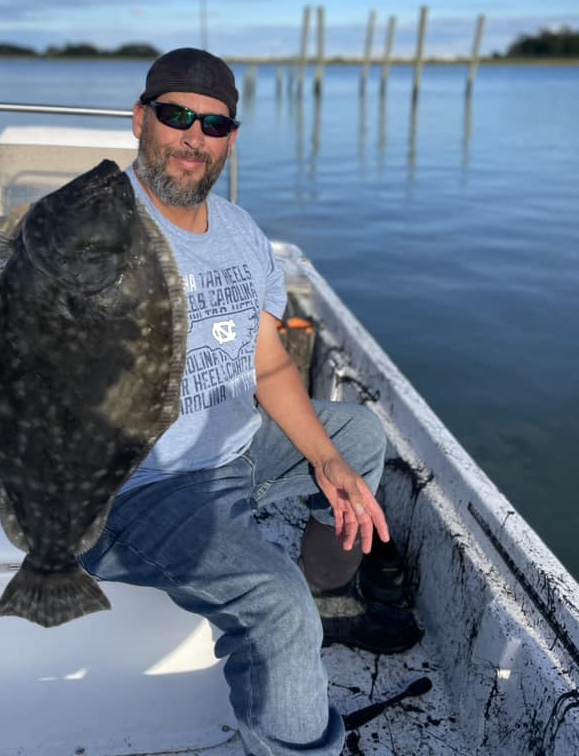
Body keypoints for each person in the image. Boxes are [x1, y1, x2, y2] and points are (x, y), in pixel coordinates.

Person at [81, 48, 421, 756]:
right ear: (140, 120)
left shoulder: (240, 232)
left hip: (232, 452)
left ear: (231, 138)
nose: (192, 137)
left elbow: (269, 366)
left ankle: (320, 593)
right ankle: (287, 622)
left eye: (213, 124)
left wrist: (323, 458)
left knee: (356, 438)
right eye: (176, 116)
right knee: (275, 605)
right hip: (138, 490)